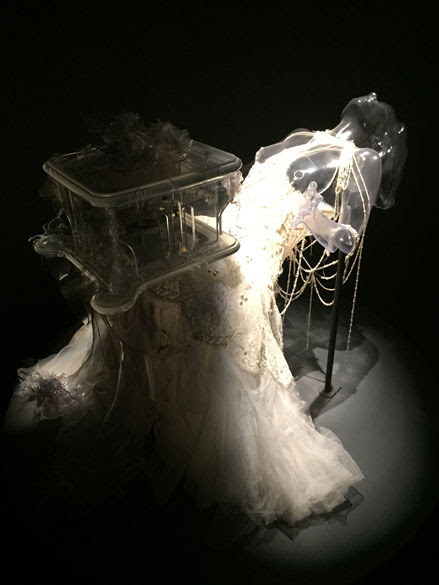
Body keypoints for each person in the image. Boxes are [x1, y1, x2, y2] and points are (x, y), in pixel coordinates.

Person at [11, 94, 406, 525]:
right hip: (220, 230)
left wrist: (315, 221)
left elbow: (347, 239)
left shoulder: (362, 159)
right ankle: (149, 396)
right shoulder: (303, 137)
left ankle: (177, 420)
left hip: (253, 255)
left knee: (208, 304)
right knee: (152, 274)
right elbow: (247, 169)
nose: (368, 101)